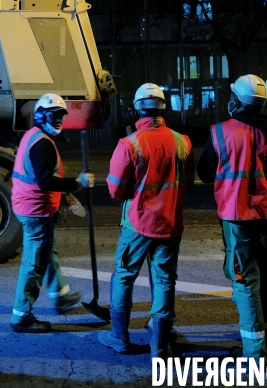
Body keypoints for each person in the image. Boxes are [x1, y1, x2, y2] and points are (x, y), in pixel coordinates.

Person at [196, 74, 267, 362]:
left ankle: (254, 353)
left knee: (245, 280)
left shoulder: (221, 132)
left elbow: (205, 173)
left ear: (237, 101)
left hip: (237, 217)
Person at [98, 83, 194, 358]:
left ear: (138, 108)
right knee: (164, 281)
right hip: (170, 223)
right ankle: (160, 346)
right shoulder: (182, 141)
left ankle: (119, 338)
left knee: (125, 276)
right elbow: (188, 179)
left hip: (138, 223)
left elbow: (115, 190)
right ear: (163, 108)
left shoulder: (130, 143)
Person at [10, 93, 95, 333]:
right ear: (41, 115)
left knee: (49, 251)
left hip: (35, 208)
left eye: (61, 116)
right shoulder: (42, 143)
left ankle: (61, 296)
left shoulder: (35, 136)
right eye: (54, 115)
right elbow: (46, 181)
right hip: (35, 210)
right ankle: (21, 316)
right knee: (34, 264)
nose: (58, 120)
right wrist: (76, 183)